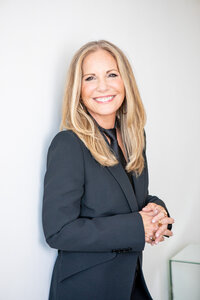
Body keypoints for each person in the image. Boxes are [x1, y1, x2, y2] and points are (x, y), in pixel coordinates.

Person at [42, 40, 174, 300]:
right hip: (88, 289)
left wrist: (156, 210)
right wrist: (138, 227)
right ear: (78, 90)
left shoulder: (134, 136)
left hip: (130, 282)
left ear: (125, 81)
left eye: (112, 74)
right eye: (90, 78)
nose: (103, 86)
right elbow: (59, 232)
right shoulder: (69, 144)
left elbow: (127, 200)